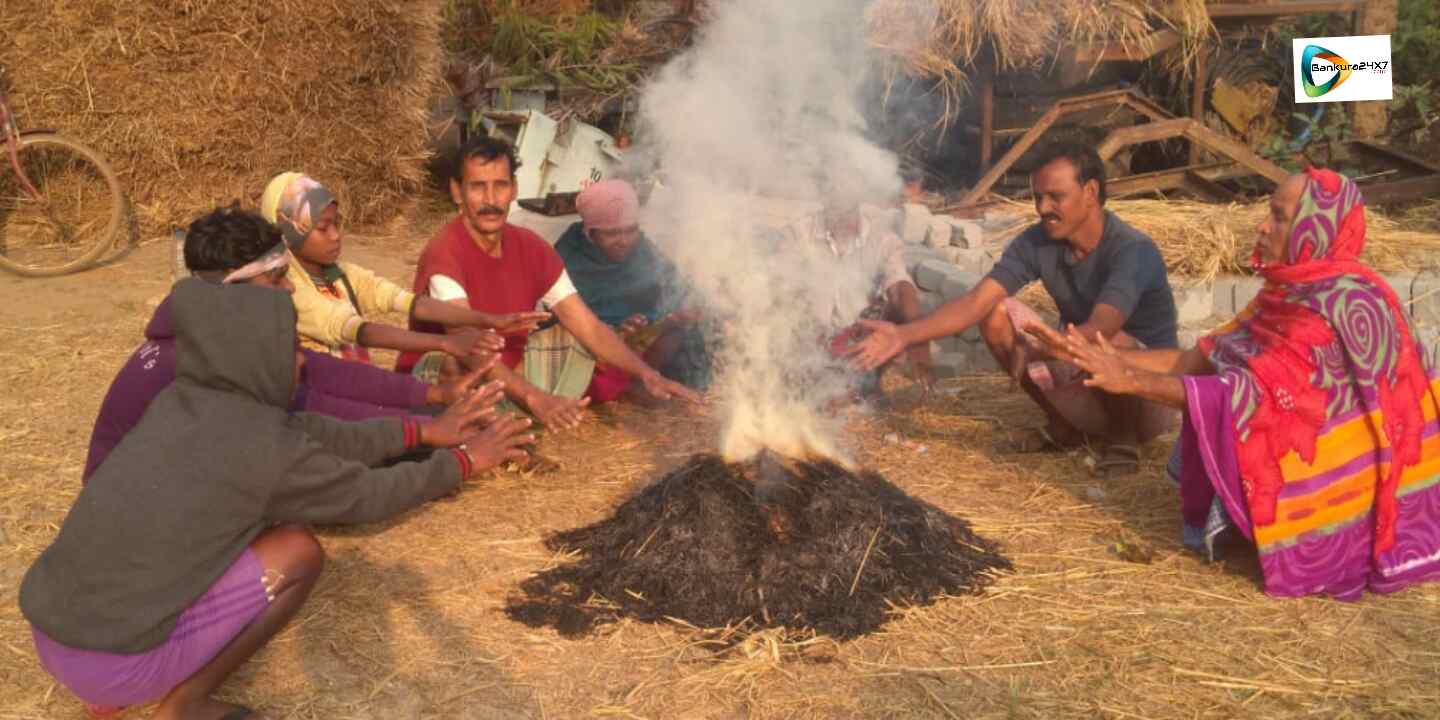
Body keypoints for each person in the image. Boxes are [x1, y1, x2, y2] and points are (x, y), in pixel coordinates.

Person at [21, 279, 535, 719]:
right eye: (291, 347)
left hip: (53, 637)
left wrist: (423, 432)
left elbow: (315, 431)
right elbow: (366, 496)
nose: (301, 362)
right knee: (298, 550)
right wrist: (465, 462)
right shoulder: (264, 449)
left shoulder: (183, 403)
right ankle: (188, 702)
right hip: (118, 664)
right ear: (252, 355)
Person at [1028, 168, 1440, 599]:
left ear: (1313, 228)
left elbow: (1252, 398)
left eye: (1278, 216)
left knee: (1236, 415)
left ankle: (1320, 527)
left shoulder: (1347, 302)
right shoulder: (1286, 293)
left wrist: (1129, 379)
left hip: (1348, 476)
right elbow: (1196, 361)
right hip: (1318, 454)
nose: (1263, 225)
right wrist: (1097, 357)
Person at [82, 207, 494, 482]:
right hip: (147, 515)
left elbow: (323, 372)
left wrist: (435, 395)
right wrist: (436, 436)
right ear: (233, 287)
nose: (289, 287)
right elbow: (318, 412)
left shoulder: (214, 325)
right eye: (277, 277)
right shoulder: (206, 359)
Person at [848, 143, 1178, 474]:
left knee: (1110, 341)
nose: (1041, 208)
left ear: (1090, 191)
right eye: (1037, 197)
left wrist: (1043, 348)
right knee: (995, 313)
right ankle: (1063, 426)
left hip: (1149, 396)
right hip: (1087, 376)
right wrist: (903, 335)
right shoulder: (1038, 241)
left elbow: (1103, 326)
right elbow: (978, 300)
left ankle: (1122, 441)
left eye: (1054, 196)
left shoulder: (1132, 250)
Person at [398, 135, 702, 430]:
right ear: (456, 191)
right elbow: (470, 347)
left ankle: (512, 413)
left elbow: (586, 324)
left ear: (514, 189)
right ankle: (493, 423)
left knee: (580, 341)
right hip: (453, 370)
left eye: (500, 185)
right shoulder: (445, 253)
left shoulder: (531, 246)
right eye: (477, 187)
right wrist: (534, 397)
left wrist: (647, 374)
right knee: (452, 367)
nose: (490, 200)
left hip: (510, 369)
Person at [260, 172, 549, 365]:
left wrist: (490, 320)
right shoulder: (288, 289)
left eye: (337, 224)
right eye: (323, 228)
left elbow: (409, 303)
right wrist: (446, 343)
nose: (336, 235)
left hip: (357, 390)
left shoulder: (338, 273)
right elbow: (359, 331)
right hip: (321, 402)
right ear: (290, 233)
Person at [554, 178, 710, 402]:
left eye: (630, 231)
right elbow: (563, 318)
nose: (623, 241)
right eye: (611, 233)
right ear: (590, 233)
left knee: (679, 332)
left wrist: (675, 313)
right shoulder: (569, 256)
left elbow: (676, 284)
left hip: (639, 348)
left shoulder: (642, 250)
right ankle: (627, 388)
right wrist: (614, 329)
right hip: (591, 349)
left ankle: (639, 383)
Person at [791, 194, 933, 402]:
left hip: (858, 343)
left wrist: (920, 351)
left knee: (896, 313)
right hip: (807, 341)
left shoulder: (883, 240)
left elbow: (901, 288)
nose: (841, 211)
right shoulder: (800, 233)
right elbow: (777, 286)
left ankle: (864, 385)